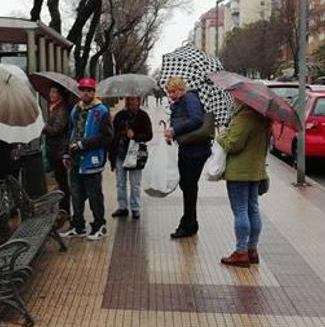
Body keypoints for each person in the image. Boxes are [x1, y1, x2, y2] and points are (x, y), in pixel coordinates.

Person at [216, 102, 271, 267]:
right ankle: (252, 249)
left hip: (239, 172)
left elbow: (233, 145)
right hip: (256, 170)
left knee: (240, 209)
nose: (233, 101)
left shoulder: (244, 117)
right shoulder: (265, 118)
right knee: (253, 208)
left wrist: (221, 136)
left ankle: (241, 252)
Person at [61, 78, 113, 241]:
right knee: (76, 194)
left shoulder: (102, 111)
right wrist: (67, 153)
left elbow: (107, 137)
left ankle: (99, 226)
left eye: (89, 90)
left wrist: (83, 144)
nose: (85, 93)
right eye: (83, 90)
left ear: (94, 92)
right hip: (75, 160)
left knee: (94, 195)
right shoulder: (76, 109)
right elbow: (71, 132)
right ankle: (78, 226)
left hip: (92, 160)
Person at [163, 77, 211, 239]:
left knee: (189, 186)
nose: (171, 95)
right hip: (189, 149)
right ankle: (189, 222)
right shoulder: (180, 102)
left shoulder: (190, 98)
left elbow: (196, 119)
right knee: (187, 185)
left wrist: (175, 130)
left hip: (196, 151)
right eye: (169, 92)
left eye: (173, 91)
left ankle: (189, 224)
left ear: (181, 89)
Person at [109, 95, 153, 219]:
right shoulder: (119, 116)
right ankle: (122, 207)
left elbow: (149, 135)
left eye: (133, 99)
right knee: (120, 183)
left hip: (135, 153)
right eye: (128, 99)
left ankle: (135, 208)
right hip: (120, 153)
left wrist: (135, 136)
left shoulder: (143, 116)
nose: (130, 102)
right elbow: (113, 134)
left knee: (135, 183)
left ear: (139, 101)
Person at [42, 84, 71, 219]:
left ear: (60, 94)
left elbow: (56, 129)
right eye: (51, 92)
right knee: (59, 180)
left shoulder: (62, 109)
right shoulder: (55, 108)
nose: (51, 94)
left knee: (62, 181)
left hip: (59, 150)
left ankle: (65, 210)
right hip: (54, 149)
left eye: (54, 92)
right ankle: (63, 209)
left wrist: (44, 126)